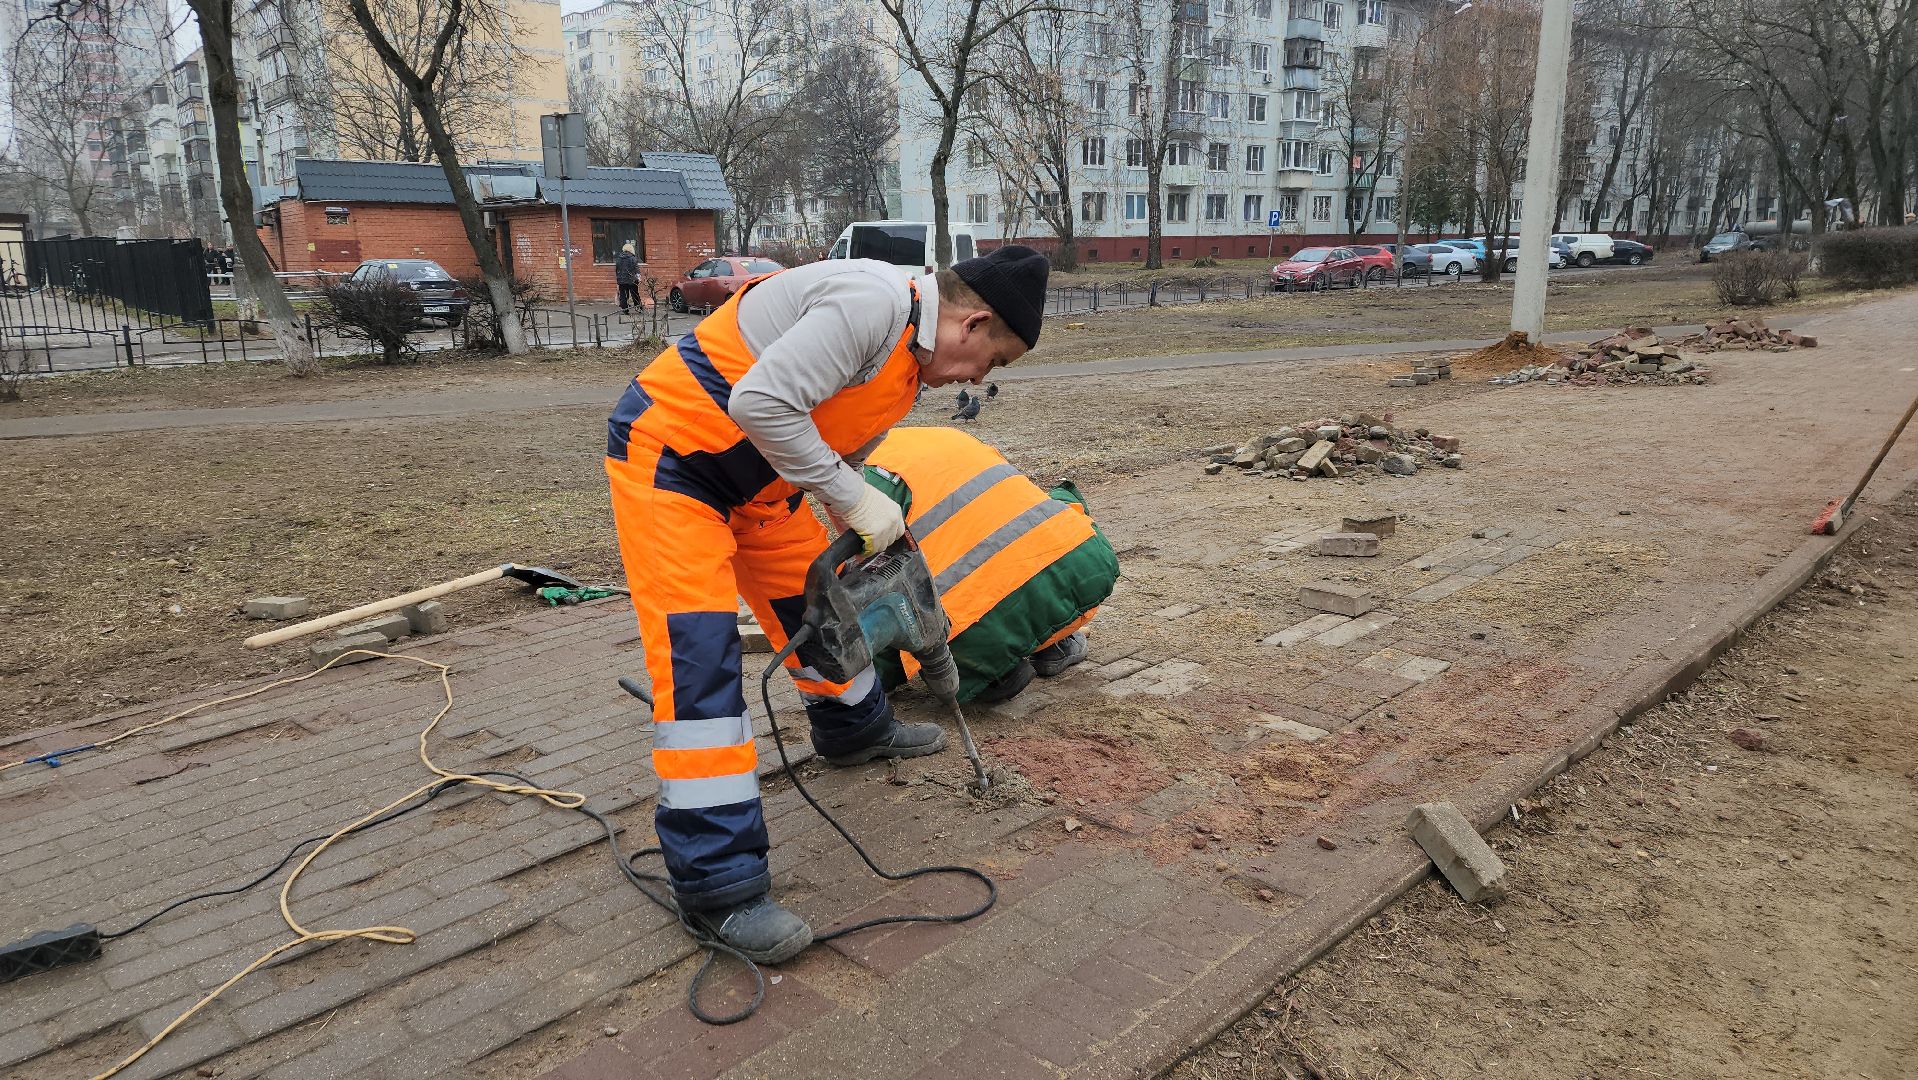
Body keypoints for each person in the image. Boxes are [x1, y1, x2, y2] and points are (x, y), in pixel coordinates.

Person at [605, 244, 1050, 964]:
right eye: (992, 362)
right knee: (701, 667)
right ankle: (719, 887)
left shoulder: (909, 363)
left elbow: (826, 434)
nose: (977, 378)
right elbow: (760, 402)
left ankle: (854, 729)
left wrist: (850, 499)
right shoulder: (873, 306)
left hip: (763, 487)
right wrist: (849, 498)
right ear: (973, 324)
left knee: (819, 611)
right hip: (677, 462)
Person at [860, 426, 1117, 704]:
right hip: (1083, 568)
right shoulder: (943, 434)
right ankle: (1054, 640)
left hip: (982, 631)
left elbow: (885, 594)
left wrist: (873, 676)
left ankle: (997, 671)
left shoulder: (863, 479)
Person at [615, 241, 641, 314]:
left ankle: (625, 309)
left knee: (623, 295)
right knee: (635, 294)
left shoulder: (619, 258)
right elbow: (637, 269)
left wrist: (618, 279)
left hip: (621, 280)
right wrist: (639, 277)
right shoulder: (633, 258)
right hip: (632, 279)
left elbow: (617, 269)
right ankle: (638, 307)